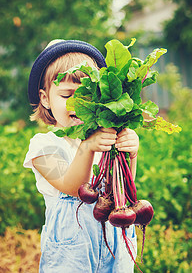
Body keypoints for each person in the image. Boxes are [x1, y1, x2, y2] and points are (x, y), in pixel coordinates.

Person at [23, 39, 139, 273]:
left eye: (87, 96)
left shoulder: (104, 140)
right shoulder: (44, 146)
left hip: (116, 248)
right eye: (67, 96)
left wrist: (131, 153)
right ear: (45, 99)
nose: (77, 103)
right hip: (71, 257)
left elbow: (125, 187)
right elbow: (73, 186)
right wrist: (87, 148)